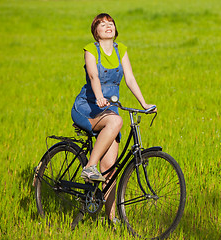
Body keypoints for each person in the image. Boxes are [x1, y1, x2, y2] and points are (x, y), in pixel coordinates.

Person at [71, 13, 155, 222]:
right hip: (88, 107)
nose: (108, 26)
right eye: (102, 24)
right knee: (117, 121)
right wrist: (99, 97)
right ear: (96, 32)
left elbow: (130, 78)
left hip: (109, 110)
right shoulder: (91, 50)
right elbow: (93, 76)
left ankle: (111, 218)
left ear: (115, 30)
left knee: (110, 170)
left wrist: (144, 103)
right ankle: (89, 167)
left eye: (111, 23)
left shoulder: (121, 50)